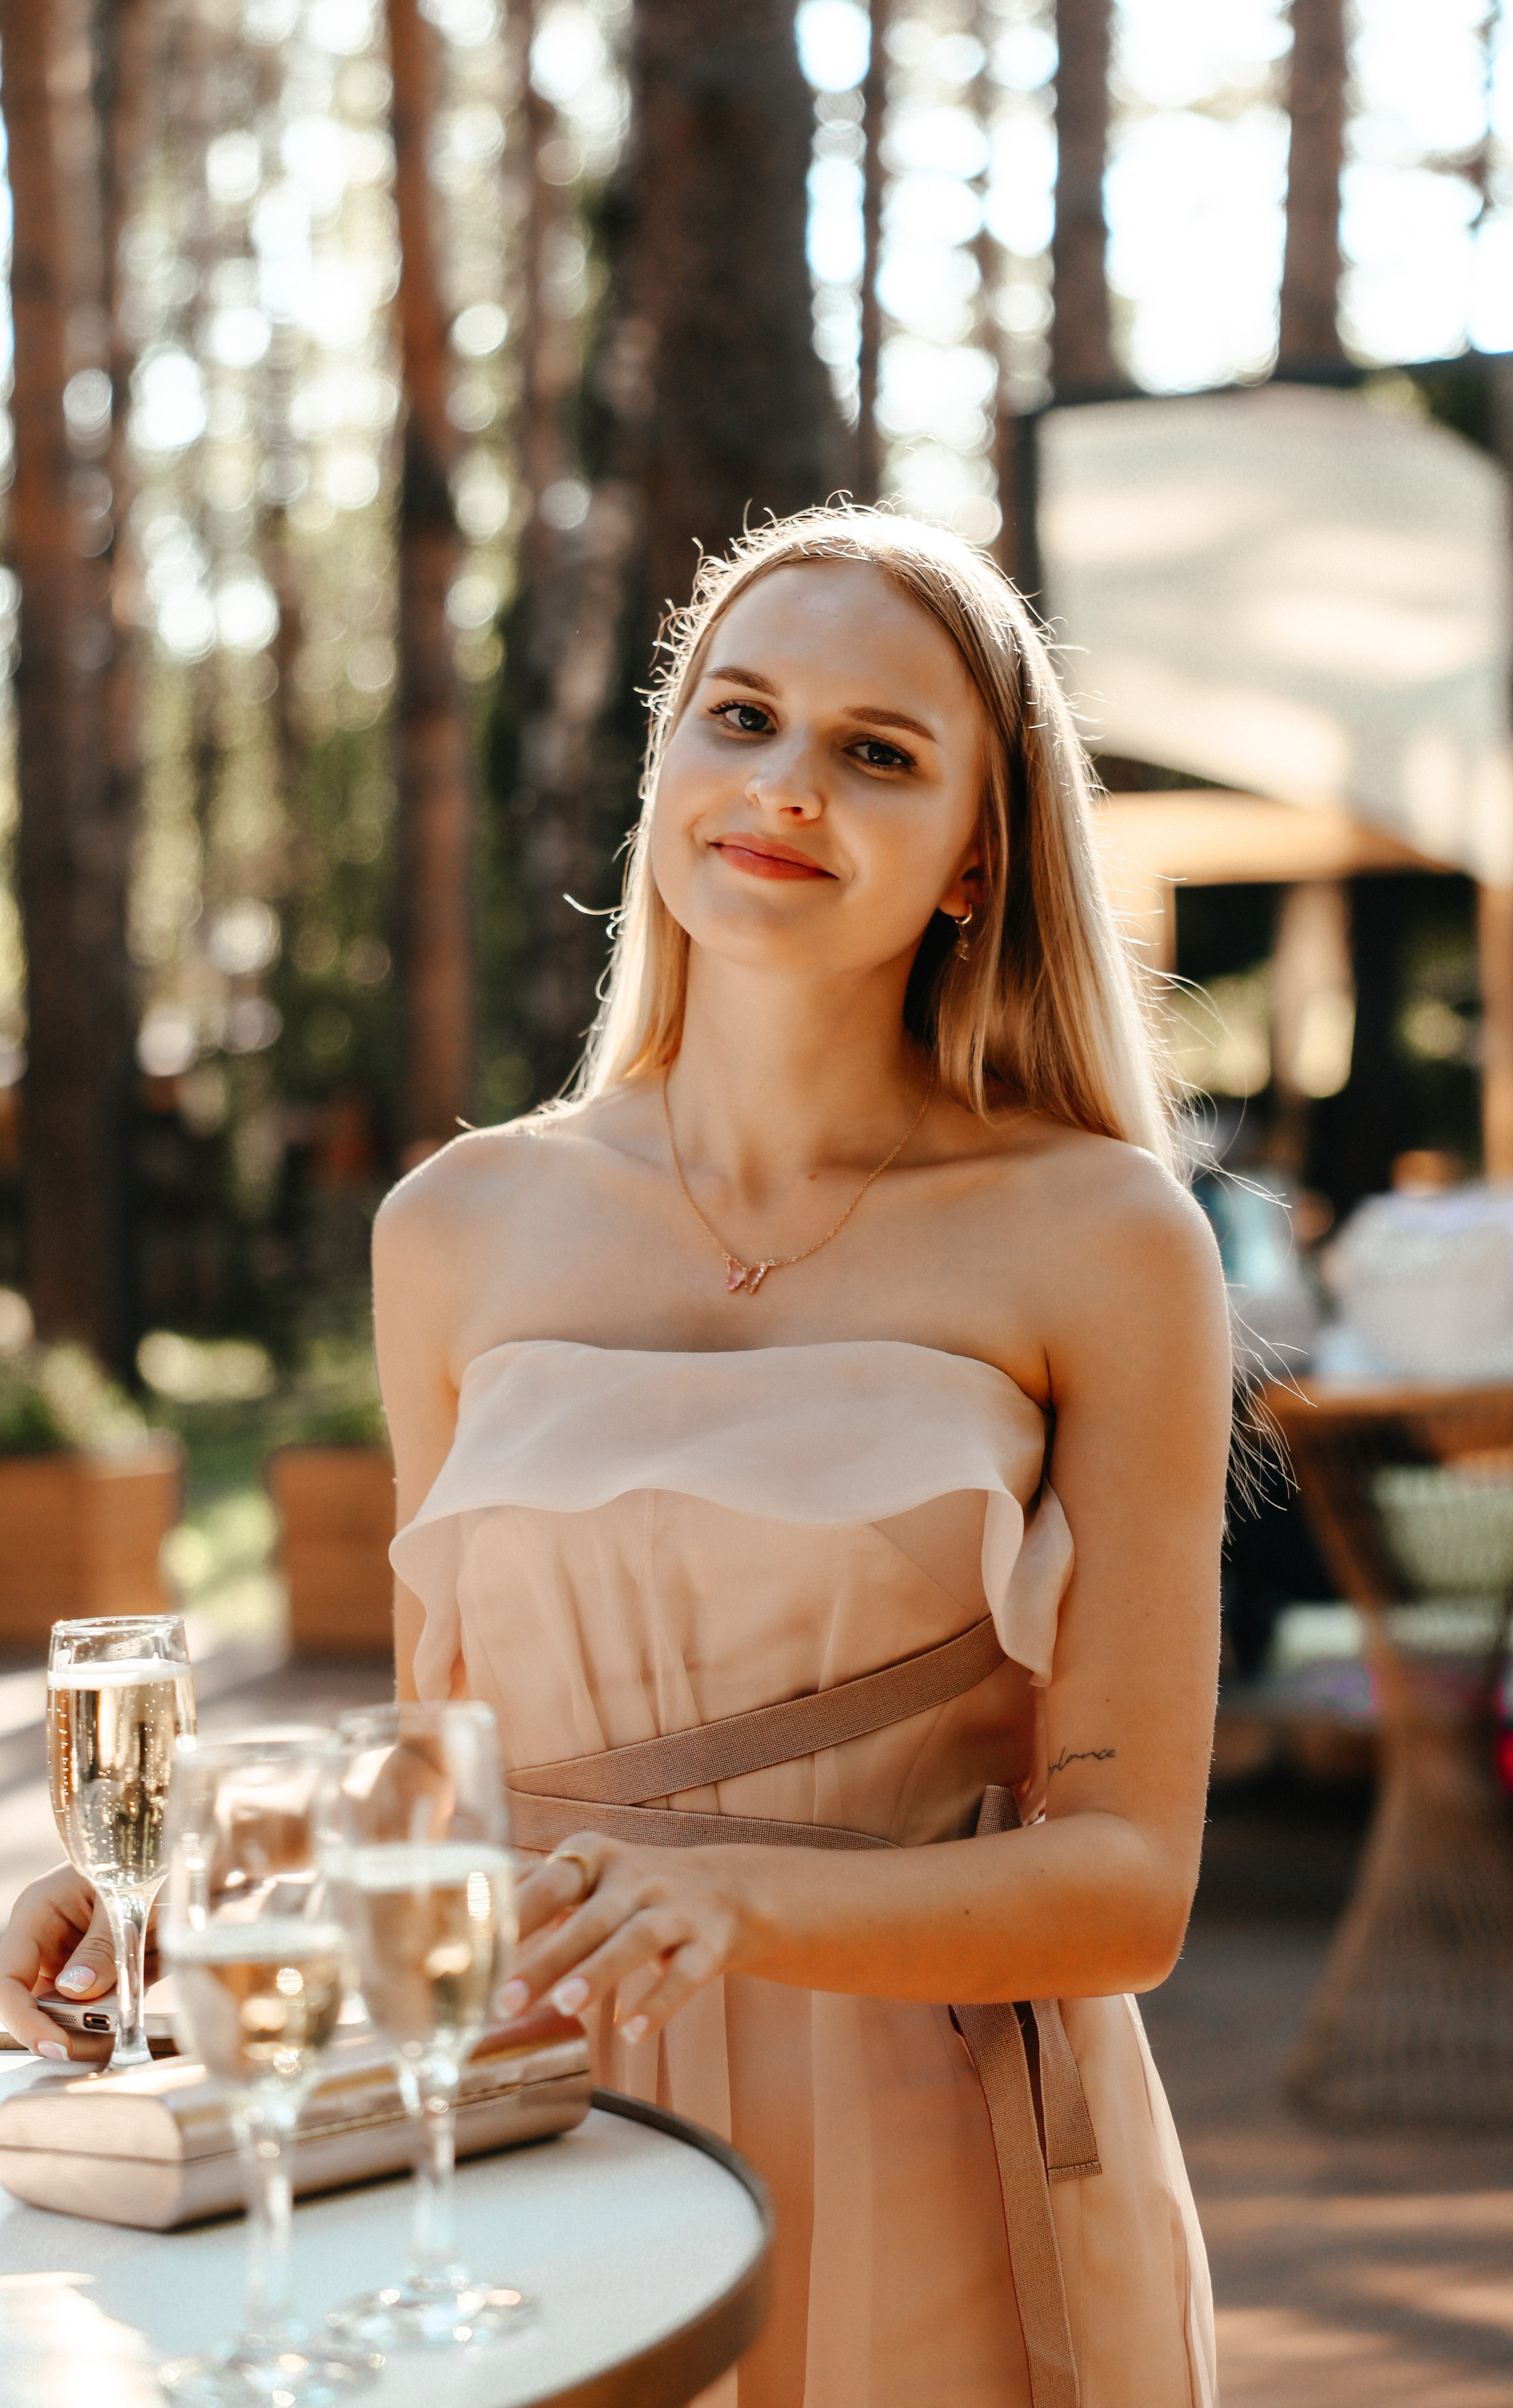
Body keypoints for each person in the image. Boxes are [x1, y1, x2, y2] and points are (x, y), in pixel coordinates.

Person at [3, 505, 1230, 2407]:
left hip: (931, 2127)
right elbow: (446, 1785)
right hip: (523, 2126)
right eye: (740, 719)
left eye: (877, 753)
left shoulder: (1103, 1237)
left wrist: (743, 1903)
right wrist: (183, 1919)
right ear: (666, 767)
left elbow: (1132, 1880)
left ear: (979, 860)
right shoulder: (460, 1224)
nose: (787, 787)